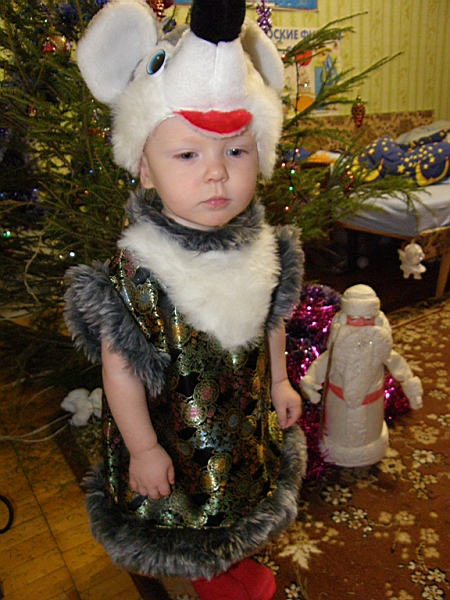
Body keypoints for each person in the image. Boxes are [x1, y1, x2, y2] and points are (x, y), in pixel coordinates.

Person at [64, 1, 307, 599]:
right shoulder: (138, 270)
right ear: (145, 169)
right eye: (188, 154)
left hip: (242, 426)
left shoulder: (261, 245)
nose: (217, 174)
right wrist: (144, 449)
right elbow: (121, 371)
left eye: (236, 151)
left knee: (244, 502)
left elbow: (271, 320)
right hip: (176, 440)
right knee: (192, 524)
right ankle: (208, 581)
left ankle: (232, 561)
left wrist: (280, 382)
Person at [301, 284, 423, 467]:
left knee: (370, 428)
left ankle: (371, 447)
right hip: (339, 405)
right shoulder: (338, 348)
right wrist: (310, 381)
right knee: (339, 428)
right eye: (355, 319)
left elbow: (397, 363)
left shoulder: (379, 347)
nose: (362, 325)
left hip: (371, 405)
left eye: (368, 319)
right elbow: (323, 364)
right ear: (344, 319)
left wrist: (411, 387)